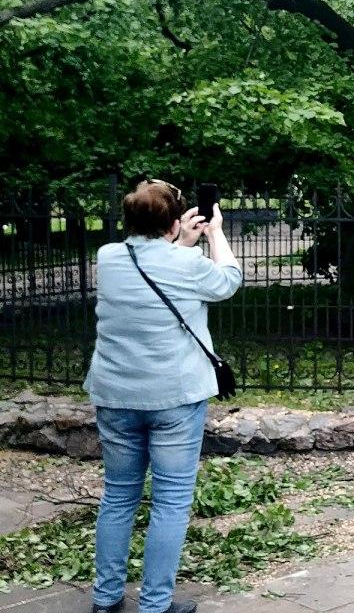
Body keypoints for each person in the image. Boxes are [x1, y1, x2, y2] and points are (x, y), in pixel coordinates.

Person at [85, 180, 242, 613]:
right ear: (174, 223)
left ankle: (106, 599)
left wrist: (181, 243)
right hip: (174, 397)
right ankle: (154, 605)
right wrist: (212, 234)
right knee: (171, 500)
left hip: (115, 395)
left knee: (118, 495)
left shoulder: (108, 258)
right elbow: (228, 279)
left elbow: (155, 265)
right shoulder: (186, 264)